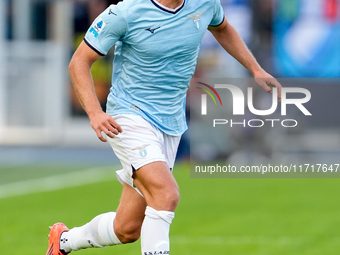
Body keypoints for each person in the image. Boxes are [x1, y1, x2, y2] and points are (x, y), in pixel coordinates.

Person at [46, 0, 282, 254]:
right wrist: (95, 112)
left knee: (126, 229)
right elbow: (79, 62)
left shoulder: (205, 4)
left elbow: (223, 28)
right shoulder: (125, 12)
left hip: (170, 123)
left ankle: (63, 241)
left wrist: (255, 69)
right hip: (129, 116)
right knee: (166, 193)